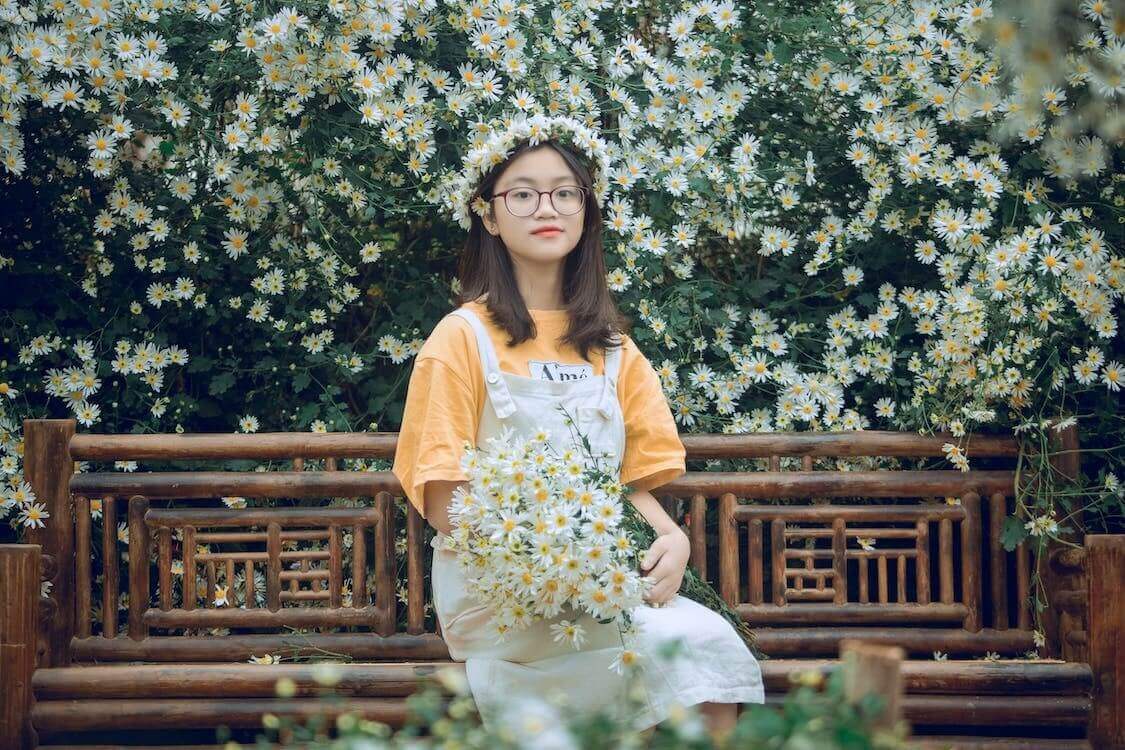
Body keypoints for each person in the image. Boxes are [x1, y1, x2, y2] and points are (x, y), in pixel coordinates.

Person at [391, 116, 764, 742]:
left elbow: (630, 489)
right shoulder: (461, 338)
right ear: (488, 213)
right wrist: (548, 561)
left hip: (602, 580)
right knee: (668, 651)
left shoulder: (614, 348)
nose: (548, 207)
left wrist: (672, 539)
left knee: (706, 643)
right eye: (524, 193)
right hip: (503, 587)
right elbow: (441, 498)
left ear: (586, 211)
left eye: (566, 192)